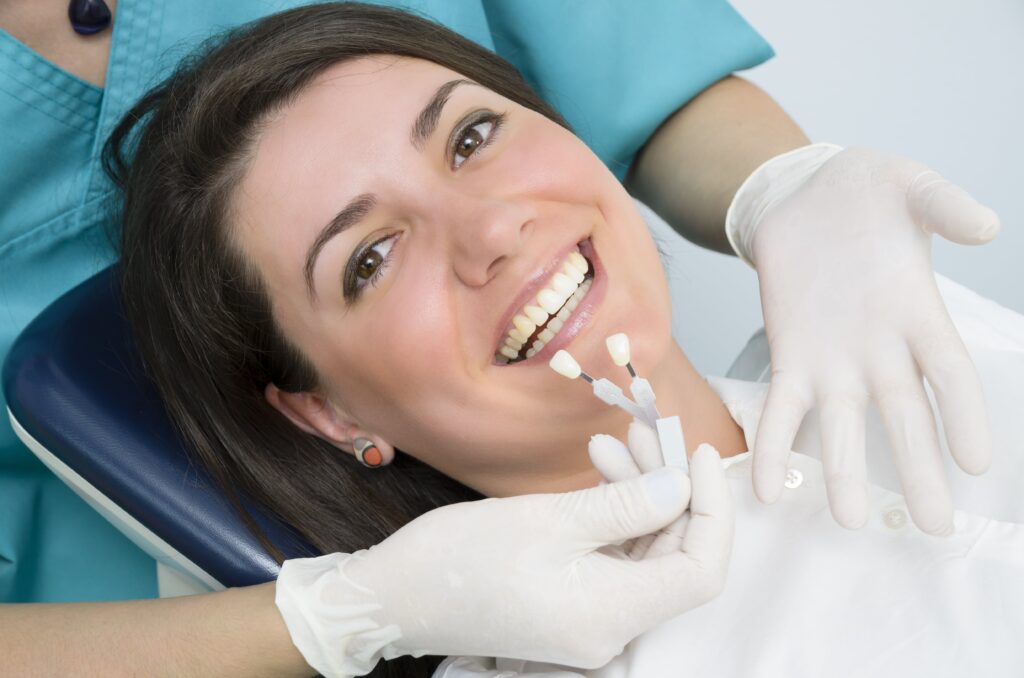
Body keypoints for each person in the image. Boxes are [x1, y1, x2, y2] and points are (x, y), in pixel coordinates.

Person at [107, 4, 1018, 677]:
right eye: (372, 258)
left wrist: (794, 179)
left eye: (470, 137)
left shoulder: (910, 321)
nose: (492, 230)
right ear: (328, 412)